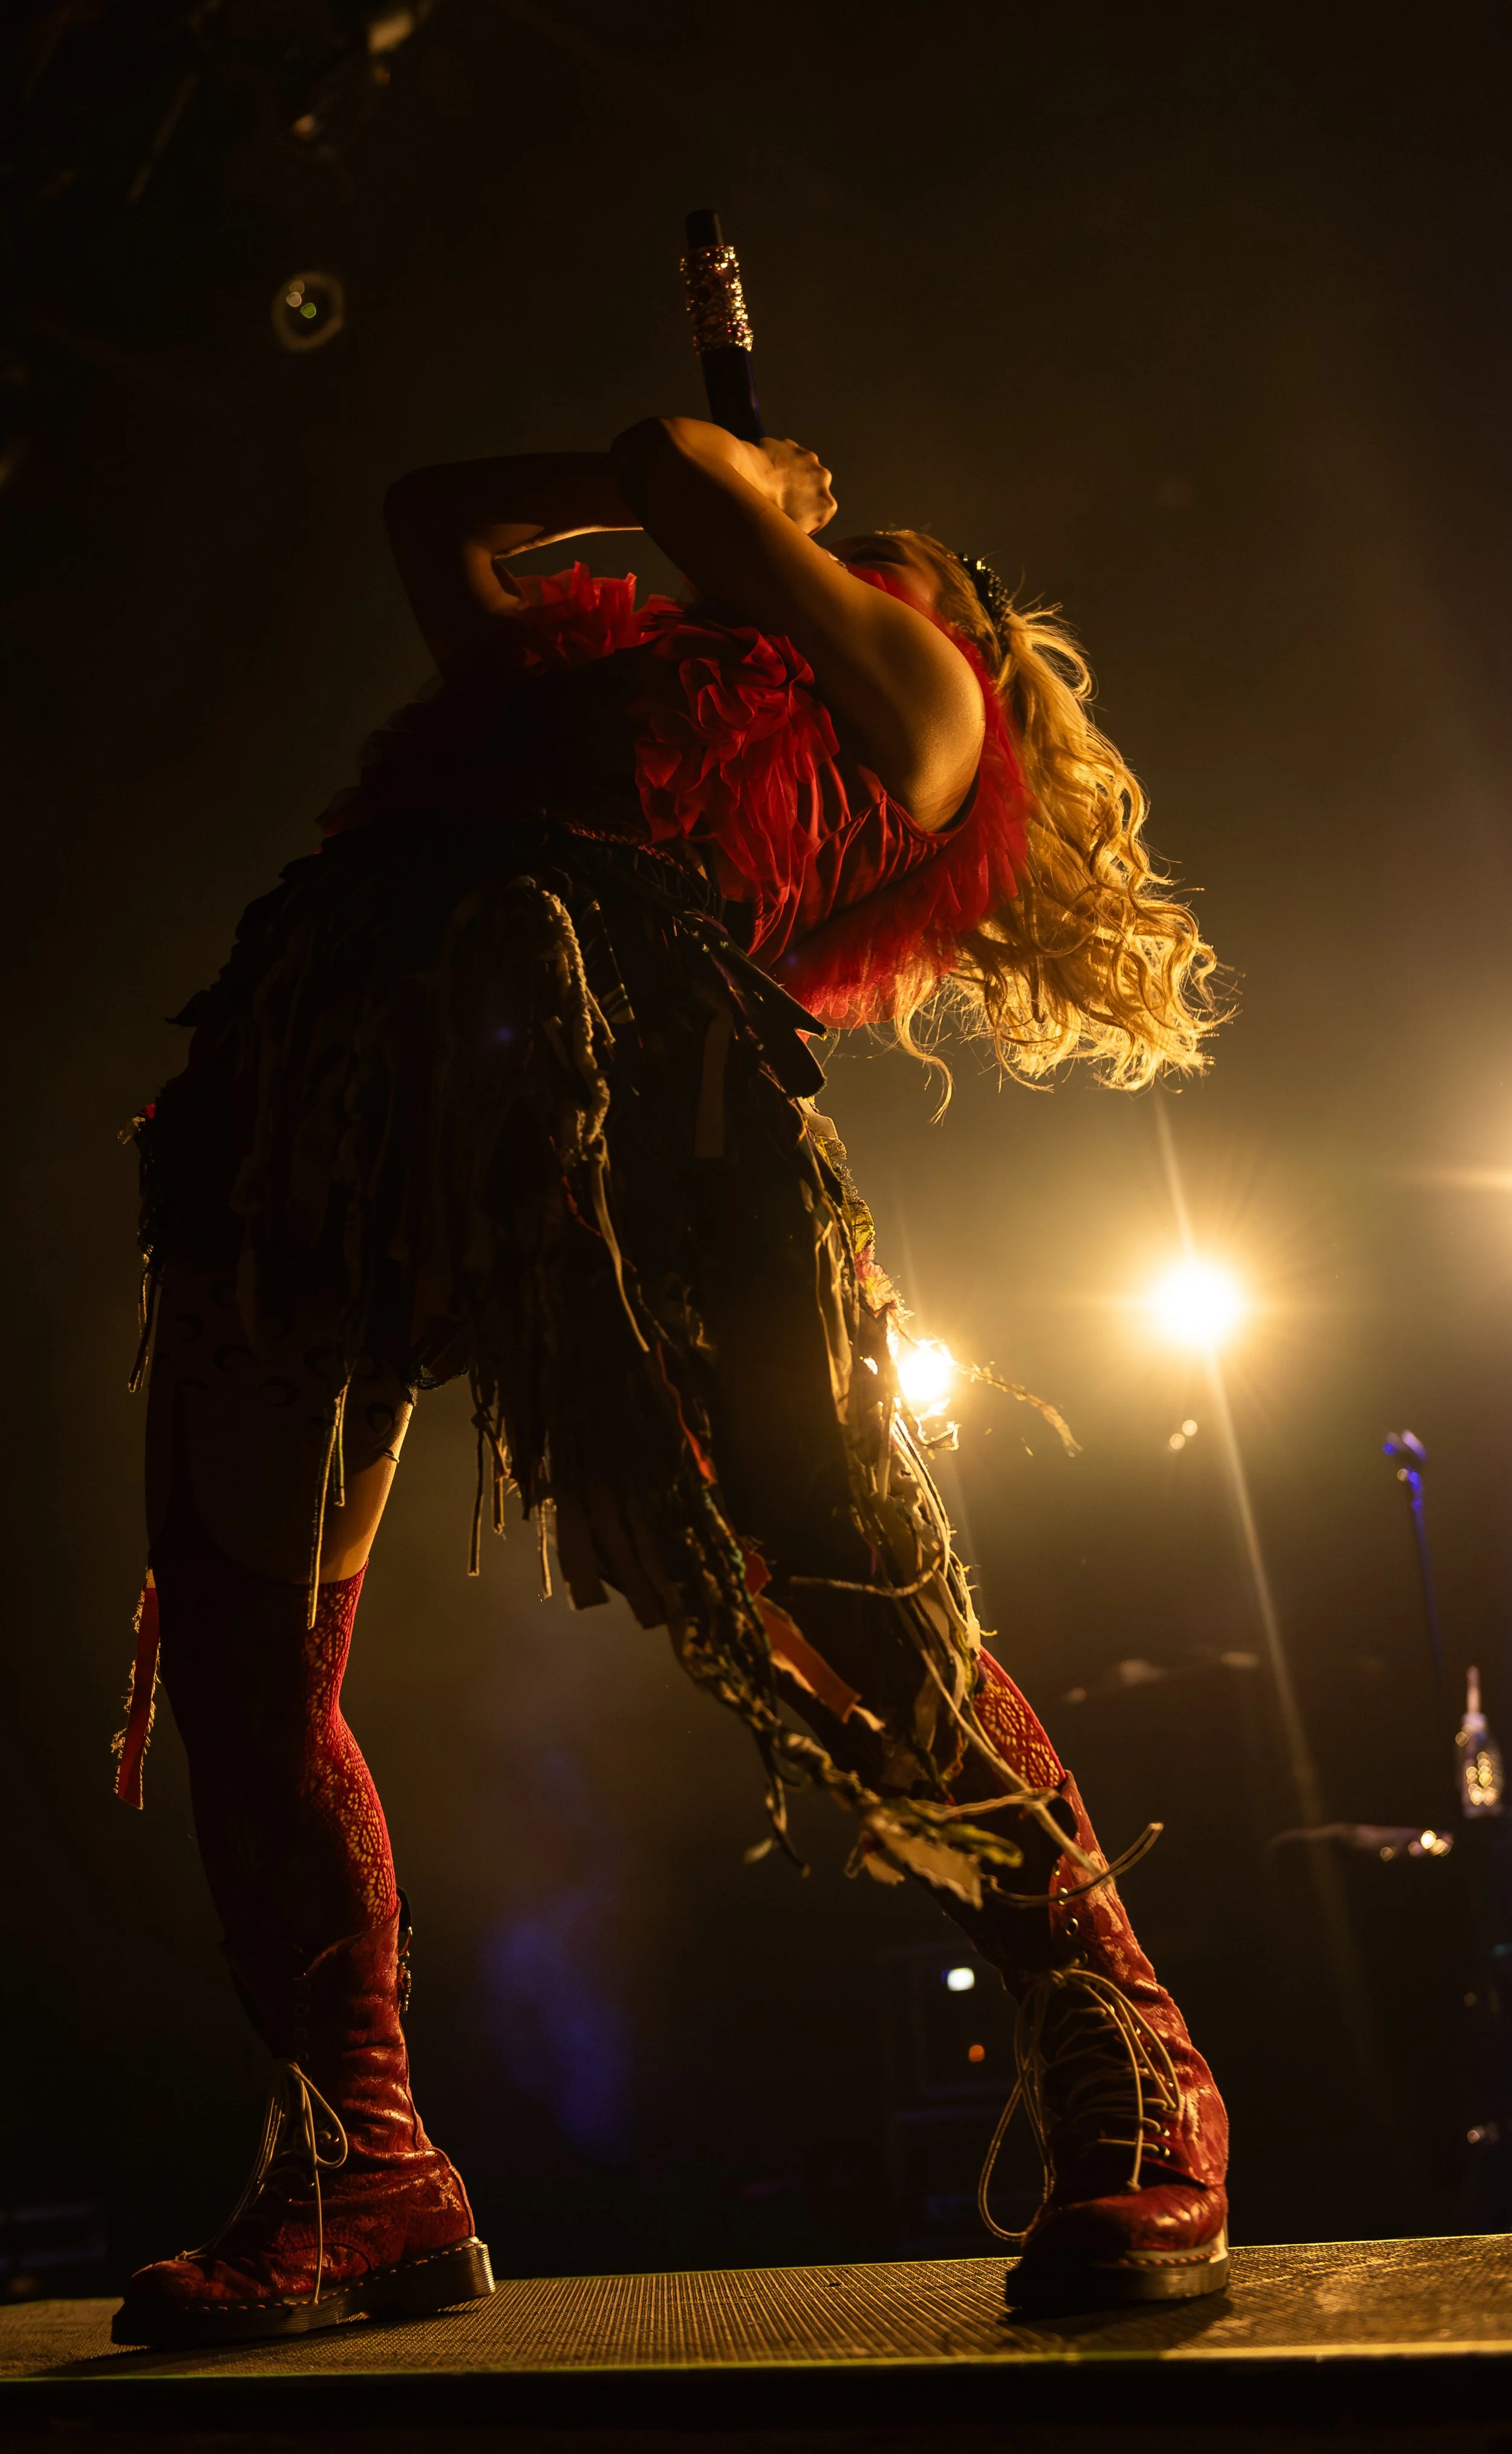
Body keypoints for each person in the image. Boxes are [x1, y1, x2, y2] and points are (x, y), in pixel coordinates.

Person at [111, 415, 1226, 2348]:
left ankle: (1132, 2055)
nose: (836, 570)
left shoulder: (922, 706)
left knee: (844, 1596)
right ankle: (365, 2172)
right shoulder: (586, 689)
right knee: (240, 1644)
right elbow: (429, 515)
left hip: (632, 1081)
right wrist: (654, 490)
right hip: (331, 1078)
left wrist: (740, 493)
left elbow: (693, 487)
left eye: (876, 565)